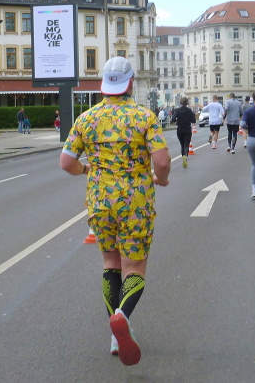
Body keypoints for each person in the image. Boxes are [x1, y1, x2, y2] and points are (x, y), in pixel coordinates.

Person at [59, 56, 171, 367]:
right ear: (130, 82)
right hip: (135, 202)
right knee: (134, 267)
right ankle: (122, 315)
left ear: (103, 84)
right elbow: (162, 161)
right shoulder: (144, 117)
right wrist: (162, 179)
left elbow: (66, 162)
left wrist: (87, 171)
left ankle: (114, 334)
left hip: (100, 201)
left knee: (110, 263)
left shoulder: (86, 119)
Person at [171, 97, 196, 168]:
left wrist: (176, 120)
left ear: (180, 103)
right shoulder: (189, 111)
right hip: (187, 129)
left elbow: (173, 119)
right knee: (186, 145)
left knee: (182, 145)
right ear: (187, 103)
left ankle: (183, 156)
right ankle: (185, 157)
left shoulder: (177, 111)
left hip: (180, 129)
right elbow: (194, 120)